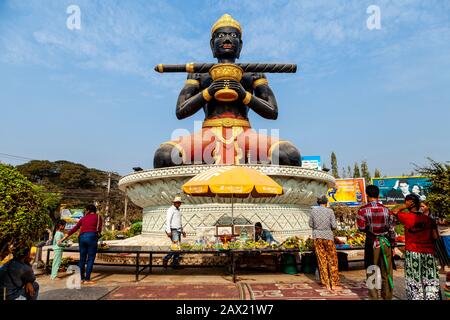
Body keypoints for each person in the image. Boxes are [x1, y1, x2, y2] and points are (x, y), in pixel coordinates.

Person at [153, 14, 301, 168]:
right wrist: (209, 91)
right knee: (165, 155)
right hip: (207, 134)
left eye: (233, 35)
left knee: (288, 154)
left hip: (246, 134)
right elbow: (180, 111)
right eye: (221, 35)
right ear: (212, 45)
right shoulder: (199, 74)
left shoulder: (253, 73)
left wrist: (244, 95)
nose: (228, 39)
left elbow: (272, 112)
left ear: (240, 46)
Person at [392, 194, 441, 300]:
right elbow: (435, 237)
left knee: (414, 281)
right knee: (430, 279)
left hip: (413, 253)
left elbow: (394, 212)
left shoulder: (406, 217)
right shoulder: (429, 220)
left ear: (408, 204)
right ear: (419, 204)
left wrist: (404, 206)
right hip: (429, 253)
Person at [357, 185, 395, 300]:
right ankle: (387, 296)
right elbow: (392, 230)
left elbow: (361, 227)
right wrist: (393, 245)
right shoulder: (387, 210)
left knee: (371, 269)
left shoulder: (362, 210)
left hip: (371, 242)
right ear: (378, 196)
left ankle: (374, 297)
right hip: (385, 243)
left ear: (367, 195)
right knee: (387, 271)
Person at [60, 204, 102, 285]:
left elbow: (74, 228)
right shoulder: (98, 217)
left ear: (88, 210)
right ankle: (87, 279)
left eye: (86, 210)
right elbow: (99, 229)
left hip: (81, 238)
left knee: (82, 259)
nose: (85, 212)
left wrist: (63, 239)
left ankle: (81, 278)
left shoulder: (83, 218)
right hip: (92, 237)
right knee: (90, 259)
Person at [308, 196, 341, 291]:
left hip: (317, 237)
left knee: (321, 260)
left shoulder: (313, 211)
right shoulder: (330, 211)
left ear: (318, 203)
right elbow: (334, 226)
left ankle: (326, 283)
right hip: (328, 237)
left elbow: (310, 224)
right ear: (326, 203)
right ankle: (334, 284)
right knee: (332, 260)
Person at [163, 197, 186, 269]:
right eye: (177, 202)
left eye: (180, 203)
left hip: (178, 230)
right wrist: (169, 231)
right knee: (176, 247)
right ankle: (166, 259)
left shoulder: (178, 210)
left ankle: (175, 264)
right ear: (174, 203)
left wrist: (182, 231)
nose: (179, 204)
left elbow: (179, 222)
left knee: (177, 247)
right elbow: (168, 220)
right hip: (173, 230)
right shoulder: (171, 210)